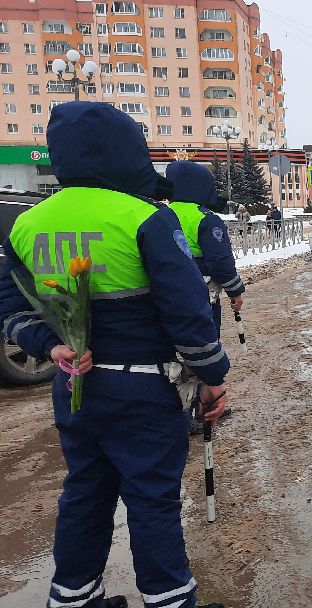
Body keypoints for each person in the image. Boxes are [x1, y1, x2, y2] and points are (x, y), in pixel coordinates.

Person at [0, 102, 228, 608]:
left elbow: (10, 308)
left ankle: (73, 599)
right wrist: (213, 375)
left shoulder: (27, 224)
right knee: (151, 501)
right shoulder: (146, 218)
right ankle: (170, 601)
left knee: (84, 493)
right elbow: (186, 312)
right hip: (145, 389)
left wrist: (51, 346)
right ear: (127, 152)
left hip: (75, 385)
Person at [166, 160, 244, 434]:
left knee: (171, 353)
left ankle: (175, 411)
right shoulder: (205, 218)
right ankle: (199, 410)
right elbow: (220, 261)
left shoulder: (159, 214)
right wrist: (236, 290)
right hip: (201, 298)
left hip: (165, 299)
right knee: (201, 351)